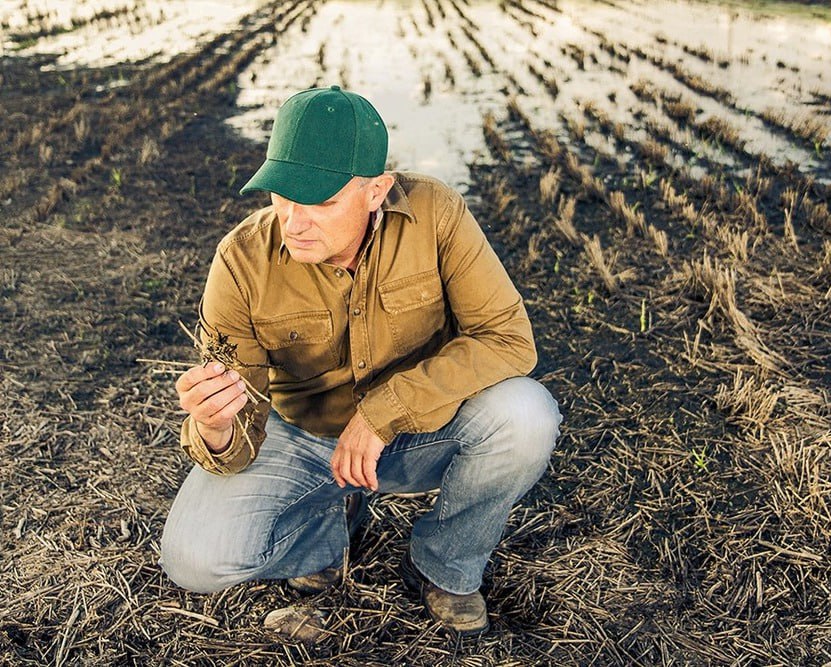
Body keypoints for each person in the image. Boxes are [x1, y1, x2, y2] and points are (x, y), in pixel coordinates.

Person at [158, 85, 561, 638]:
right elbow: (241, 425)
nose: (293, 221)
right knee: (193, 560)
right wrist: (217, 426)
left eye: (320, 201)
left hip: (418, 432)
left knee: (527, 415)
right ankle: (325, 532)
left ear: (376, 191)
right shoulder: (240, 259)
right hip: (302, 438)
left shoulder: (436, 213)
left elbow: (509, 338)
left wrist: (384, 412)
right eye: (282, 194)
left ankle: (443, 565)